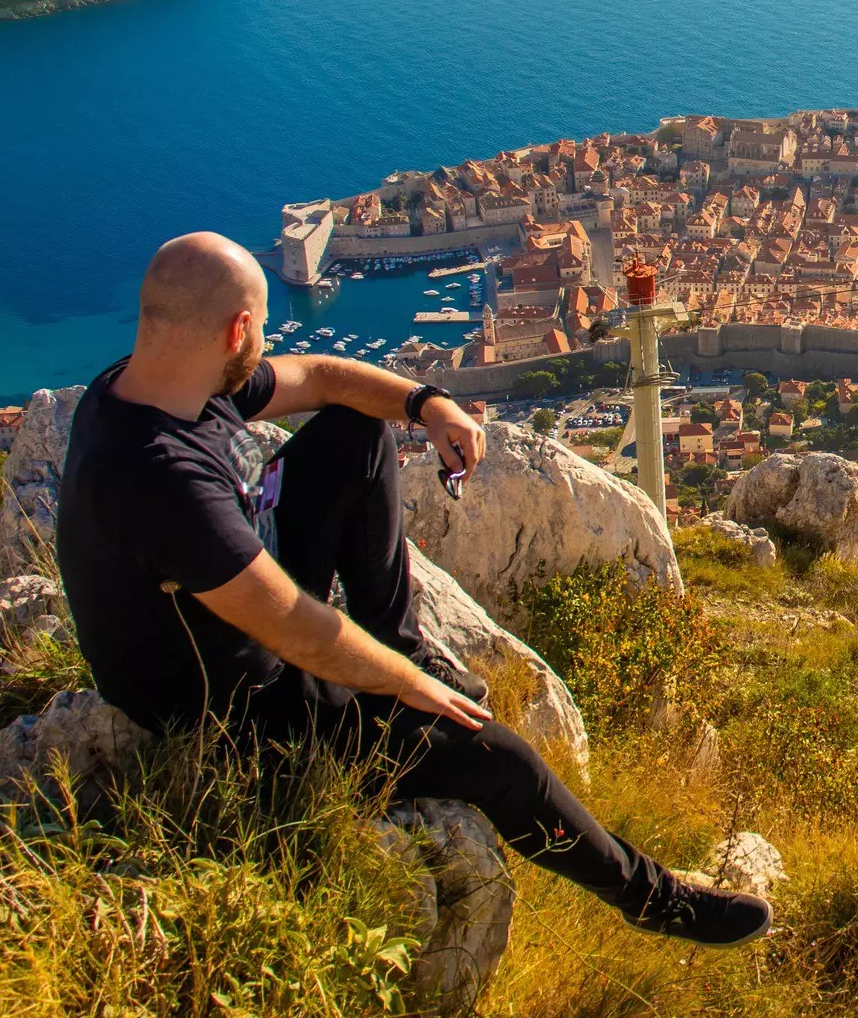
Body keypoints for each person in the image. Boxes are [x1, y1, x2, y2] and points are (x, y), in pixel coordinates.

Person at [55, 233, 769, 947]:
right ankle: (655, 899)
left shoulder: (163, 381)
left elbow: (325, 377)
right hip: (235, 701)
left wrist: (429, 404)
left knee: (358, 432)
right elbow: (298, 631)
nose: (268, 338)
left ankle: (403, 641)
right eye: (264, 322)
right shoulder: (162, 482)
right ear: (237, 328)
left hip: (233, 606)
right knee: (501, 759)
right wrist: (405, 688)